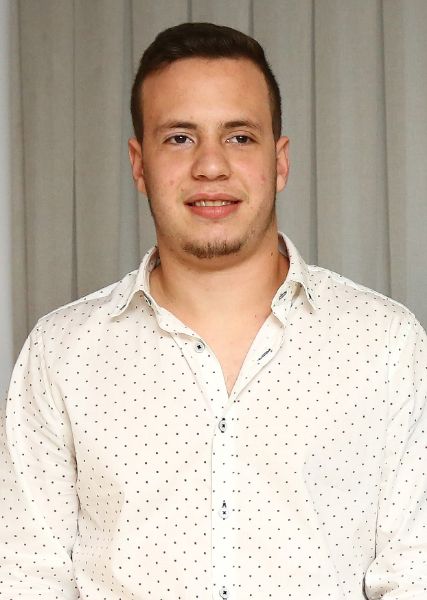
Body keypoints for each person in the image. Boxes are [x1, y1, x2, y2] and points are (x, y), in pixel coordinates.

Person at [1, 22, 426, 600]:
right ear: (138, 163)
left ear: (280, 161)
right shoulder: (61, 353)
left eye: (239, 137)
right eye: (179, 138)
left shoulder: (387, 344)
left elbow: (416, 575)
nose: (210, 166)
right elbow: (25, 579)